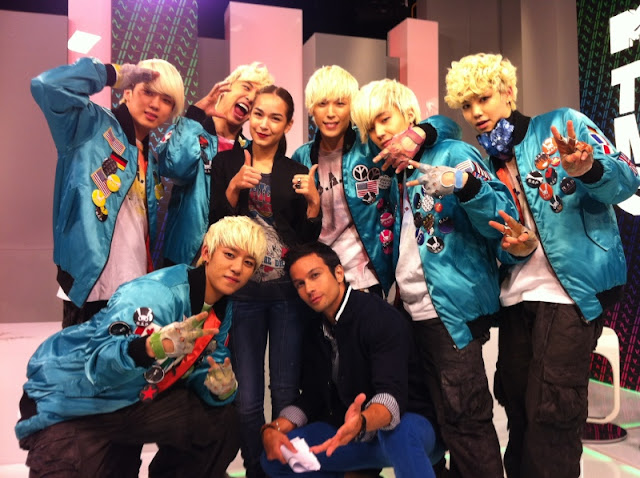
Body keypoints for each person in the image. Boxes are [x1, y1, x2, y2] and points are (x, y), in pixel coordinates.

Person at [444, 53, 640, 478]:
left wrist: (589, 168)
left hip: (571, 293)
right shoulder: (482, 164)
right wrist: (513, 249)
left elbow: (627, 180)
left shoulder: (562, 124)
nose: (476, 112)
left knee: (553, 412)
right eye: (466, 104)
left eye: (483, 98)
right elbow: (495, 244)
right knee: (518, 408)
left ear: (507, 92)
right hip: (516, 299)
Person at [351, 79, 535, 478]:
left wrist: (461, 184)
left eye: (384, 119)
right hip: (412, 312)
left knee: (466, 423)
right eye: (371, 127)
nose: (379, 132)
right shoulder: (395, 169)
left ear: (409, 116)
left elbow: (501, 213)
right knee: (439, 424)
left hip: (450, 310)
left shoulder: (452, 153)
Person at [15, 216, 267, 478]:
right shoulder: (156, 293)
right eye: (229, 254)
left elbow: (205, 365)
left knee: (224, 420)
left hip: (131, 399)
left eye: (248, 262)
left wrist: (220, 388)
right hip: (72, 400)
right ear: (206, 252)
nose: (237, 268)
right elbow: (99, 364)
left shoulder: (222, 308)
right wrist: (149, 348)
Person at [210, 85, 322, 478]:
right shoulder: (226, 162)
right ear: (249, 115)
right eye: (258, 114)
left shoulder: (295, 172)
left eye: (275, 118)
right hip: (242, 295)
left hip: (286, 296)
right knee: (247, 400)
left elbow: (306, 240)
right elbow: (215, 225)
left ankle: (284, 470)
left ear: (288, 124)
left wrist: (314, 204)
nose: (264, 124)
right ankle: (257, 470)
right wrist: (233, 187)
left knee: (286, 392)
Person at [260, 242, 442, 478]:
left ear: (338, 273)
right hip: (351, 431)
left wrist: (362, 421)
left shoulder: (379, 317)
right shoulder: (314, 328)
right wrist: (273, 429)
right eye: (300, 284)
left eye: (315, 276)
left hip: (411, 427)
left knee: (400, 434)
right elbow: (313, 397)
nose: (309, 289)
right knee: (277, 457)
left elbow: (392, 397)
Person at [31, 57, 185, 328]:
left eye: (166, 99)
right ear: (128, 91)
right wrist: (112, 73)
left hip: (134, 289)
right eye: (147, 92)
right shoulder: (90, 125)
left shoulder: (152, 160)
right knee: (80, 357)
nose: (154, 104)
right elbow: (47, 85)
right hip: (89, 286)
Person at [292, 65, 439, 296]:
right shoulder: (301, 157)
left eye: (340, 103)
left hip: (366, 277)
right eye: (322, 104)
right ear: (311, 108)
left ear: (352, 107)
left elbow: (448, 128)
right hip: (320, 277)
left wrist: (420, 132)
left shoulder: (372, 147)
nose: (330, 113)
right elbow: (297, 226)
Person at [158, 62, 273, 267]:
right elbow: (173, 168)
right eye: (246, 87)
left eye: (256, 98)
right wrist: (195, 115)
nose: (250, 97)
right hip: (184, 258)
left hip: (229, 261)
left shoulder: (249, 151)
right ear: (226, 87)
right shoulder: (190, 130)